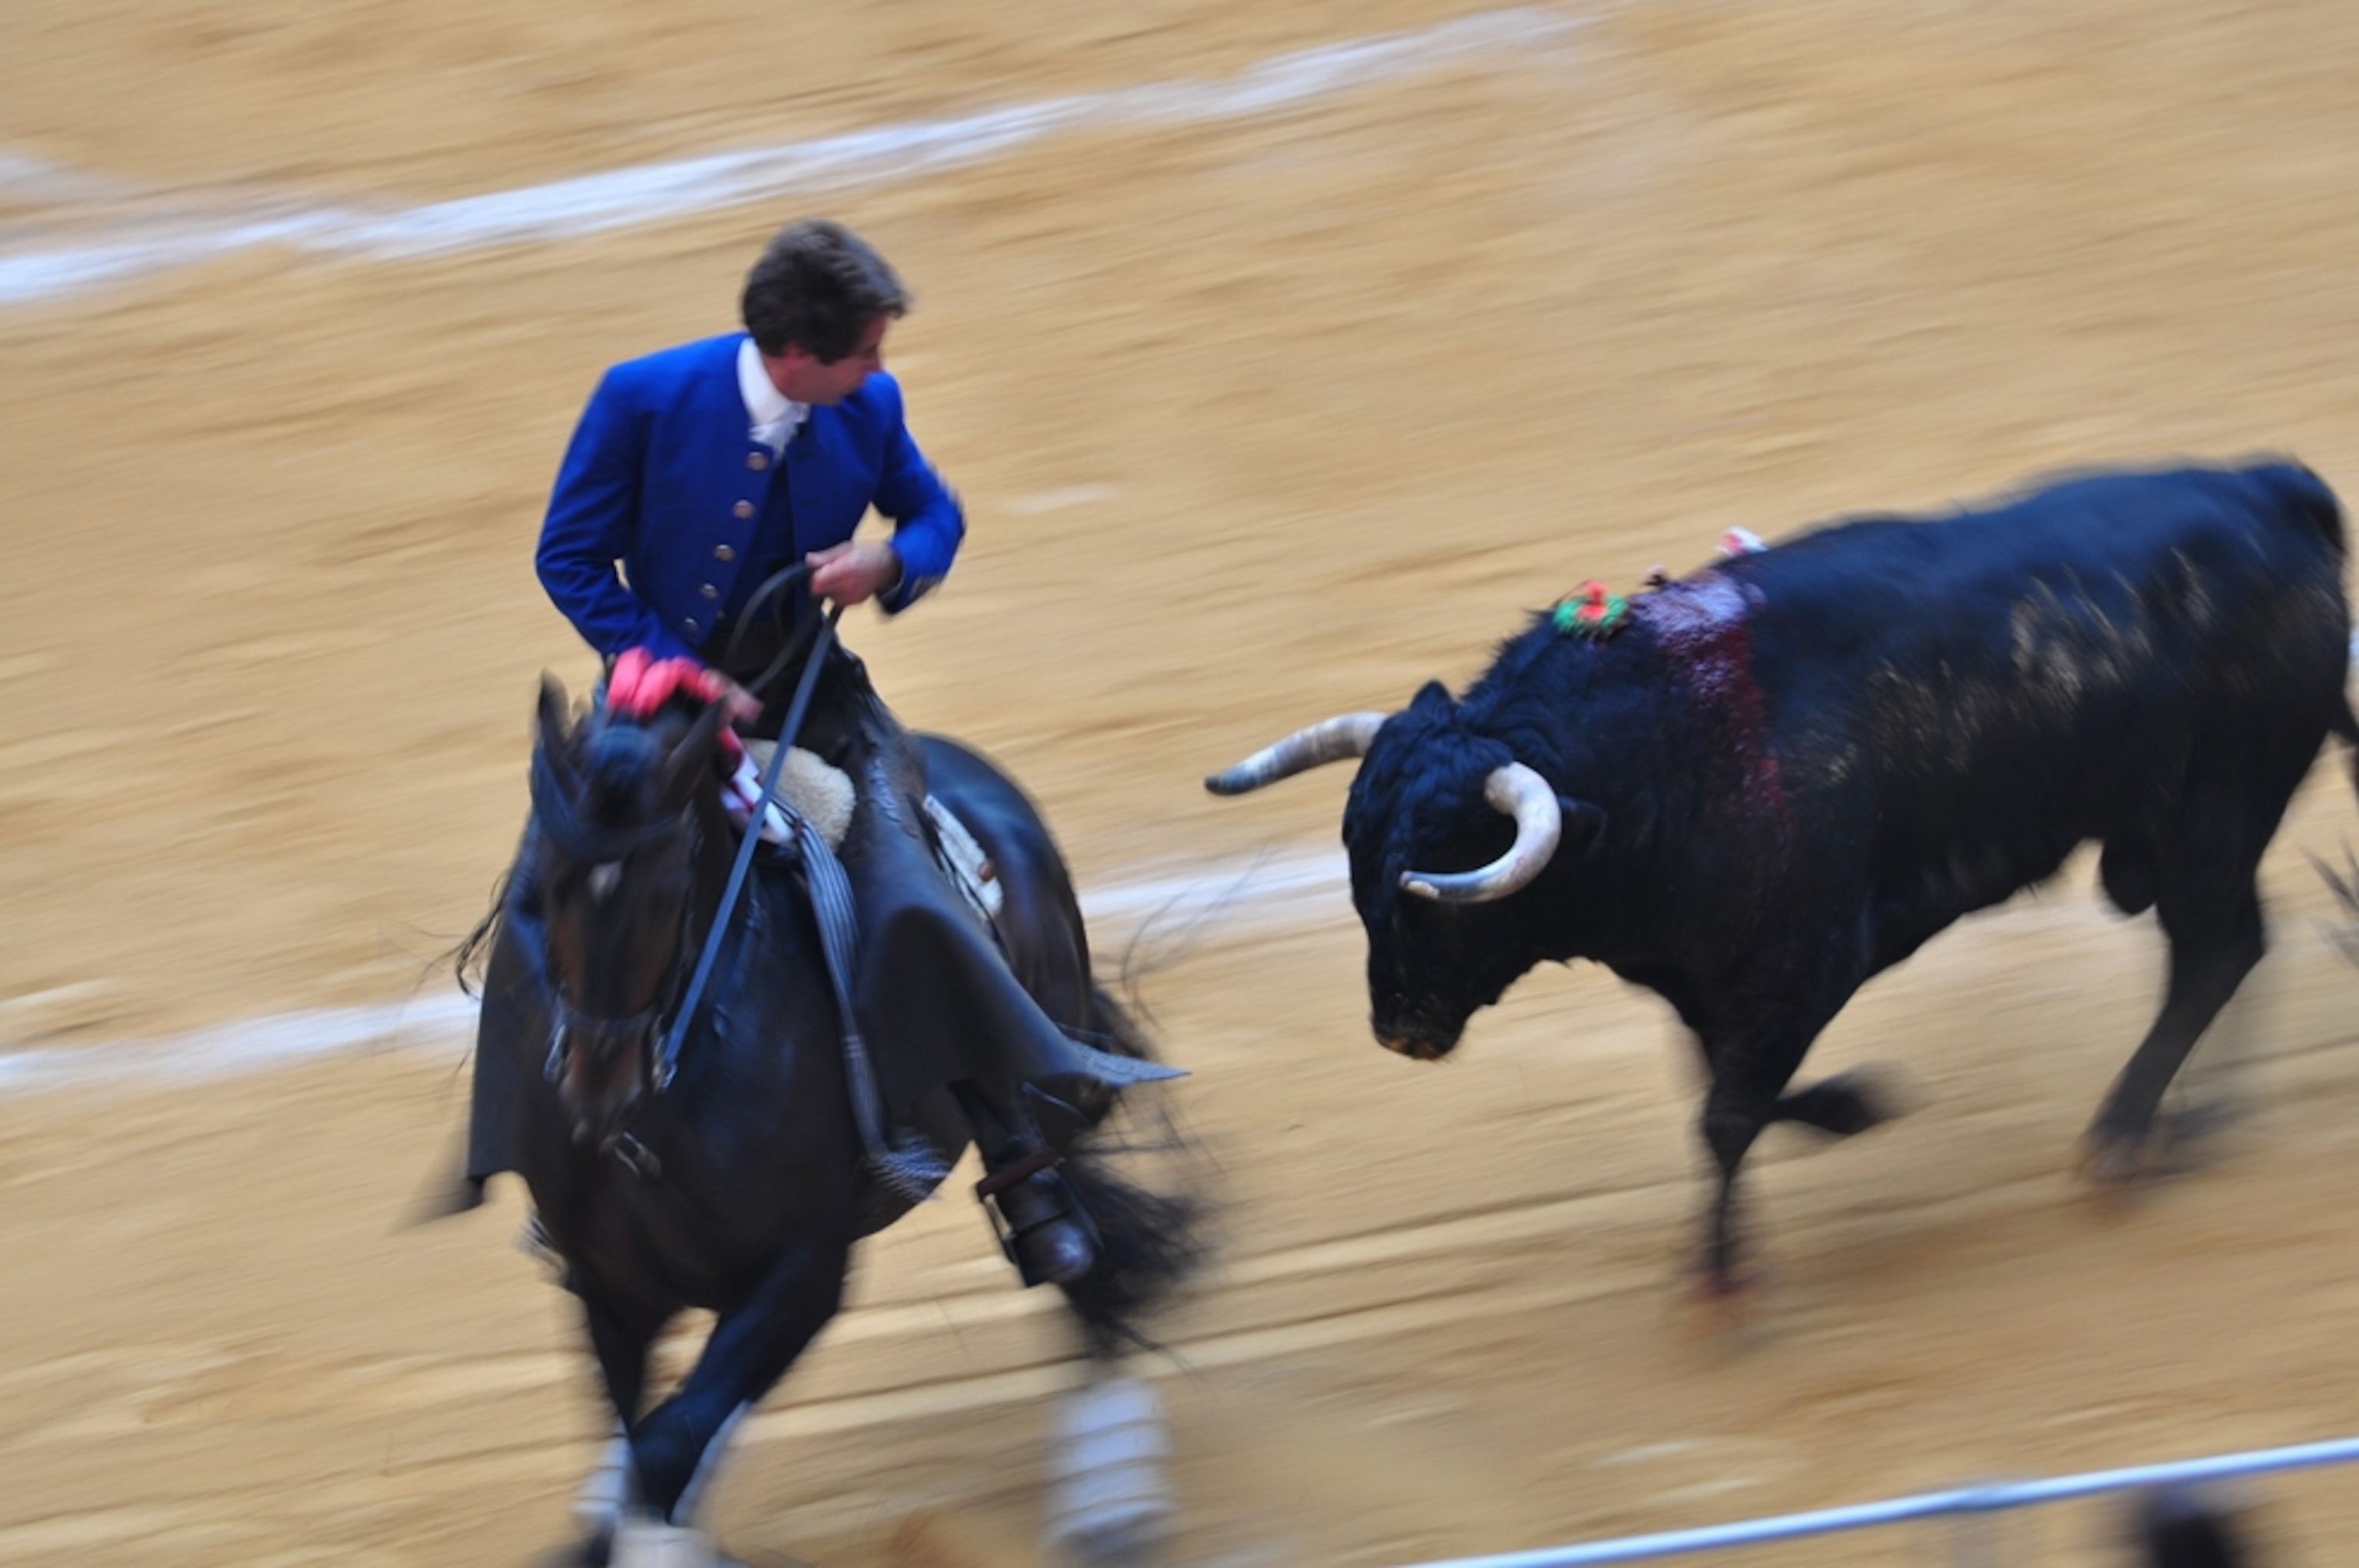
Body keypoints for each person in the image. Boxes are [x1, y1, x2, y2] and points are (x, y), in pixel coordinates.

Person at [521, 217, 1130, 1285]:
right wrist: (660, 659)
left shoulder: (868, 407)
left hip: (815, 701)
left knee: (916, 881)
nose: (882, 371)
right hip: (662, 706)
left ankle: (1020, 1159)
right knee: (552, 884)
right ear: (799, 355)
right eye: (868, 351)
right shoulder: (644, 397)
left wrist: (886, 562)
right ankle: (536, 1153)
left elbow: (936, 516)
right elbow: (567, 556)